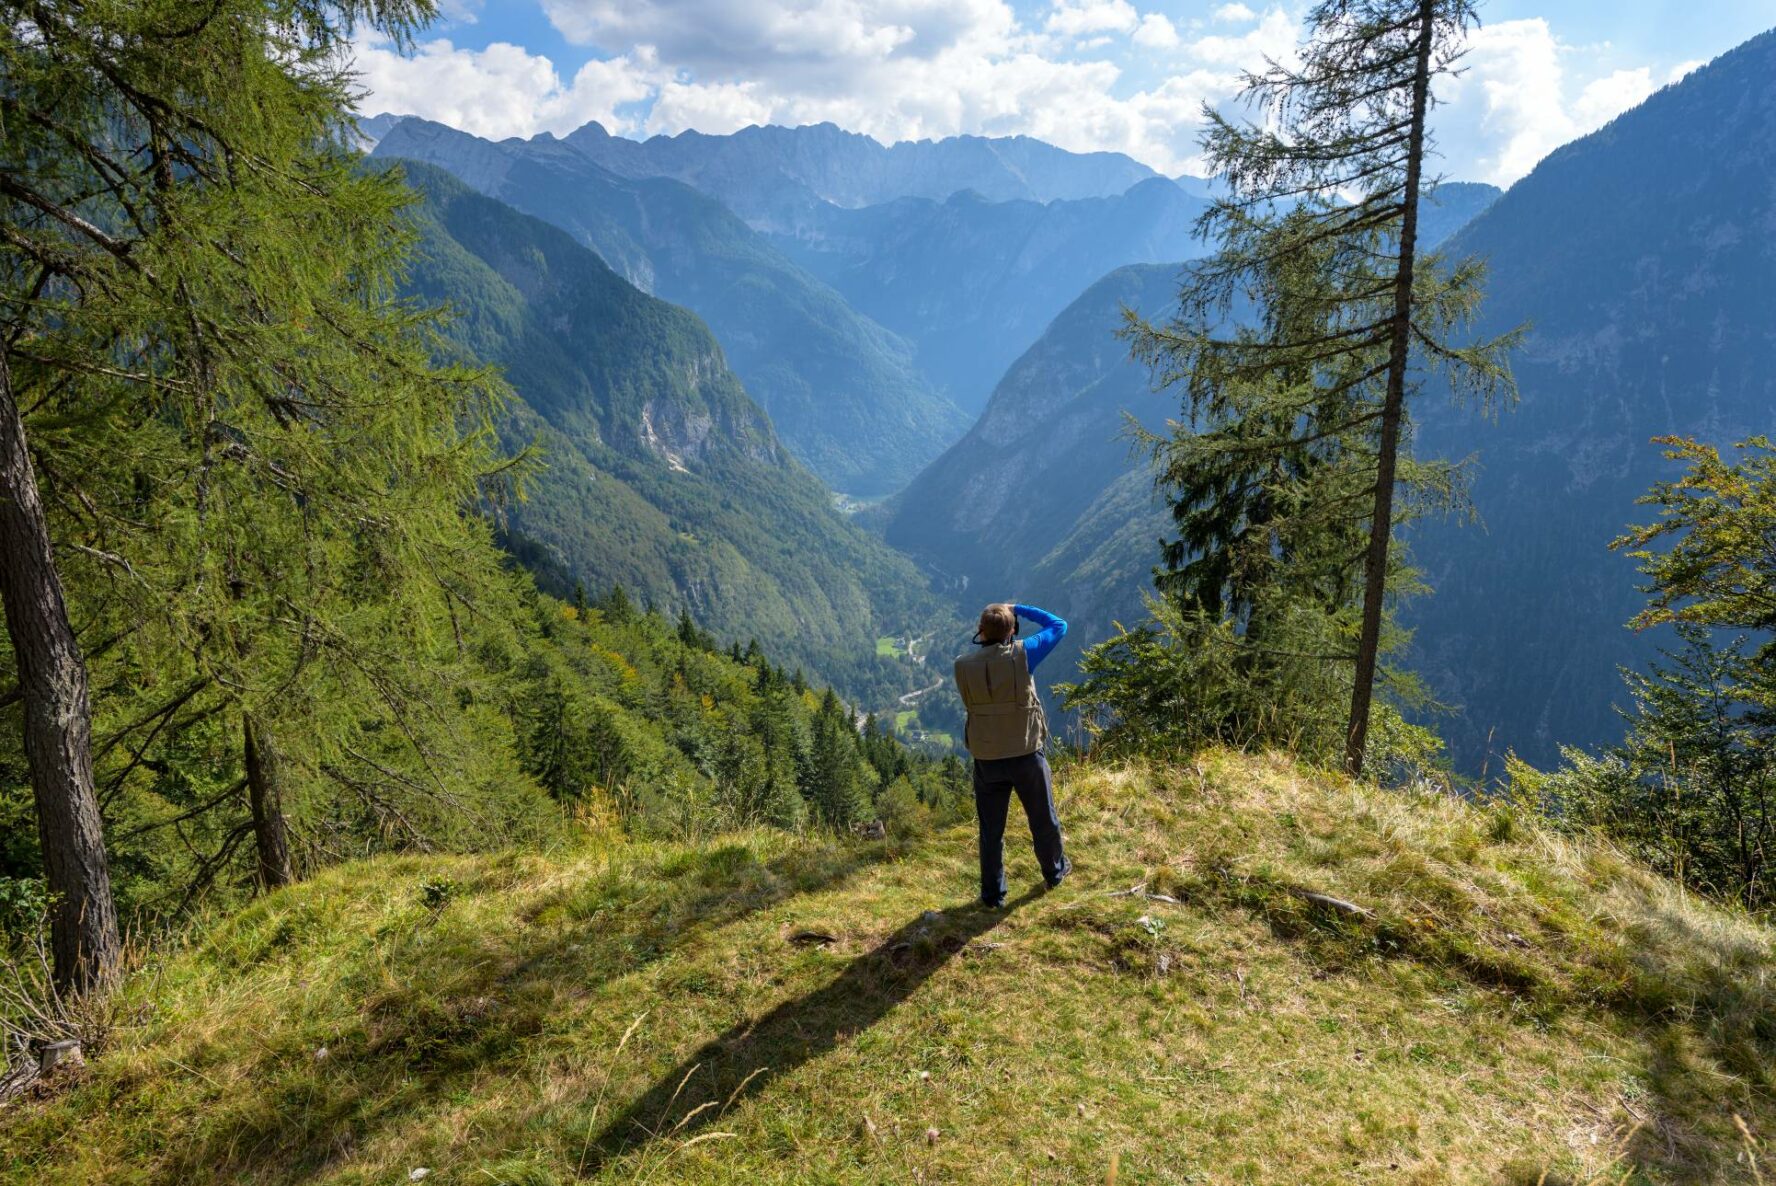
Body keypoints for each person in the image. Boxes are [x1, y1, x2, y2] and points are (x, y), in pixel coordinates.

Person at [953, 602, 1071, 907]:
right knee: (1042, 818)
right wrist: (1018, 607)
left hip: (986, 757)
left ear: (980, 631)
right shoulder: (1024, 654)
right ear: (1013, 631)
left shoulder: (962, 665)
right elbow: (1059, 625)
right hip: (1026, 752)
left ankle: (993, 895)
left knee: (991, 830)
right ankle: (1055, 873)